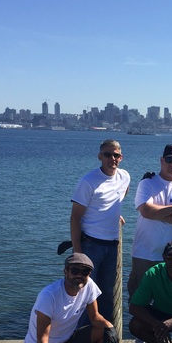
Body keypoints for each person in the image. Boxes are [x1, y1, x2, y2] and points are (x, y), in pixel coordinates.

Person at [128, 144, 172, 343]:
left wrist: (159, 213)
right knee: (139, 298)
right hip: (144, 252)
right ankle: (140, 339)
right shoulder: (147, 183)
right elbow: (146, 211)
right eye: (169, 160)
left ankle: (164, 337)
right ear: (161, 160)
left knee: (165, 300)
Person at [23, 253, 119, 343]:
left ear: (89, 274)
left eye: (85, 272)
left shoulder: (89, 286)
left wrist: (110, 327)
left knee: (105, 333)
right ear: (66, 272)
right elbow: (42, 339)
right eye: (75, 271)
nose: (79, 275)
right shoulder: (49, 295)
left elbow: (95, 317)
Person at [70, 138, 130, 330]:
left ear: (121, 157)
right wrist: (77, 252)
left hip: (112, 246)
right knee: (84, 294)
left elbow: (120, 195)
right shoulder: (88, 181)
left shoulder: (124, 176)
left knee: (106, 295)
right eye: (107, 154)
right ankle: (81, 340)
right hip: (91, 246)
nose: (112, 158)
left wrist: (114, 213)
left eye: (116, 155)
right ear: (100, 156)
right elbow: (75, 217)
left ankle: (103, 340)